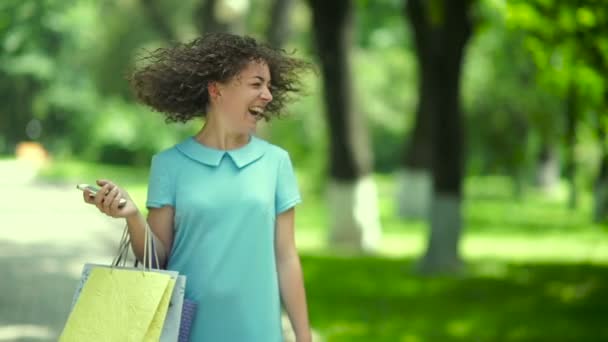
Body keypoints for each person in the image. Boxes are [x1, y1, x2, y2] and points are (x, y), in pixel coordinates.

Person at [82, 32, 313, 342]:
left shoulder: (276, 163)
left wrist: (303, 336)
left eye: (269, 86)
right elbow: (156, 262)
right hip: (188, 330)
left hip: (258, 329)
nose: (268, 95)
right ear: (216, 90)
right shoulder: (170, 164)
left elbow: (286, 257)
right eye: (256, 84)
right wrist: (132, 216)